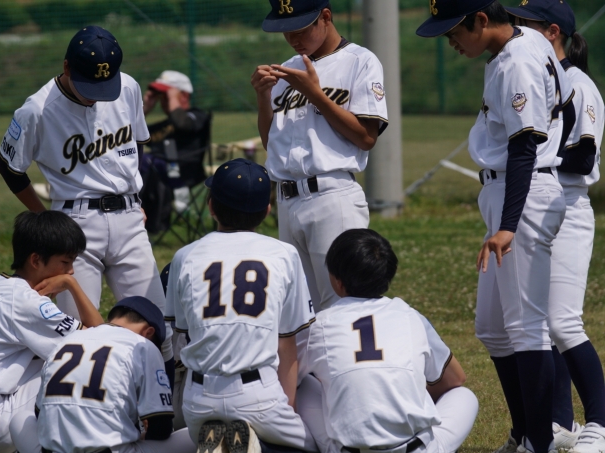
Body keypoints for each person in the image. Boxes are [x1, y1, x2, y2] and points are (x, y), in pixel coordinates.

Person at [416, 2, 575, 453]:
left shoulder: (518, 59)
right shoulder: (518, 47)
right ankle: (525, 432)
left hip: (521, 193)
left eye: (454, 31)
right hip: (509, 190)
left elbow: (525, 146)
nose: (451, 42)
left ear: (482, 19)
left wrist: (508, 224)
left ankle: (540, 441)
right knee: (491, 326)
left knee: (526, 327)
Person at [0, 25, 173, 367]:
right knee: (78, 336)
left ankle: (160, 400)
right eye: (89, 85)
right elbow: (8, 166)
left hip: (129, 218)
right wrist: (46, 219)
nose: (97, 96)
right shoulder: (37, 109)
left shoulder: (127, 87)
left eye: (104, 85)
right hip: (75, 220)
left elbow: (137, 145)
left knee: (156, 326)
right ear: (66, 67)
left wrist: (136, 198)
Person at [505, 2, 605, 452]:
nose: (515, 29)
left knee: (562, 322)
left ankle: (600, 425)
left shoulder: (578, 84)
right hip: (537, 203)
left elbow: (583, 157)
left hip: (567, 203)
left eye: (523, 23)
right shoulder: (536, 77)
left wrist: (532, 158)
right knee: (537, 323)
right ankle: (560, 422)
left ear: (551, 33)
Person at [165, 158, 317, 452]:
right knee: (310, 446)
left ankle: (223, 442)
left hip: (199, 400)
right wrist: (287, 409)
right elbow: (287, 344)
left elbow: (183, 334)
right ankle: (257, 447)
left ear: (211, 206)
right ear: (267, 211)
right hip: (257, 396)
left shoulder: (186, 256)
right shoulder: (284, 254)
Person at [252, 0, 388, 312]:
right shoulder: (289, 68)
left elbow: (366, 137)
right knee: (300, 310)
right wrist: (263, 97)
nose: (292, 38)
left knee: (343, 304)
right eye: (286, 30)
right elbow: (271, 143)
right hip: (288, 201)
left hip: (331, 197)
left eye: (300, 29)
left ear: (325, 17)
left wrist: (315, 94)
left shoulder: (359, 61)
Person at [0, 210, 104, 453]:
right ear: (35, 260)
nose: (71, 271)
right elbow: (102, 342)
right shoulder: (26, 301)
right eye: (66, 262)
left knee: (57, 356)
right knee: (81, 363)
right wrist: (72, 286)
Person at [296, 228, 479, 453]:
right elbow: (455, 378)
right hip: (418, 449)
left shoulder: (319, 324)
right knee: (464, 396)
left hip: (346, 450)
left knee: (303, 385)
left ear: (337, 281)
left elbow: (290, 380)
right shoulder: (409, 314)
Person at [36, 296, 195, 453]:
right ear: (148, 332)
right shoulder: (143, 345)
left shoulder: (66, 341)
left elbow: (39, 413)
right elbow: (161, 427)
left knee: (24, 420)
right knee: (195, 434)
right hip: (108, 451)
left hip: (52, 450)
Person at [140, 70, 211, 230]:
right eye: (161, 96)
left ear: (184, 95)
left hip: (185, 173)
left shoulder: (197, 115)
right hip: (160, 173)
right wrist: (144, 109)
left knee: (146, 161)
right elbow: (129, 135)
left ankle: (148, 222)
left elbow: (183, 124)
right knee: (139, 160)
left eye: (166, 95)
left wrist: (173, 100)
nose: (163, 100)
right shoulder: (166, 124)